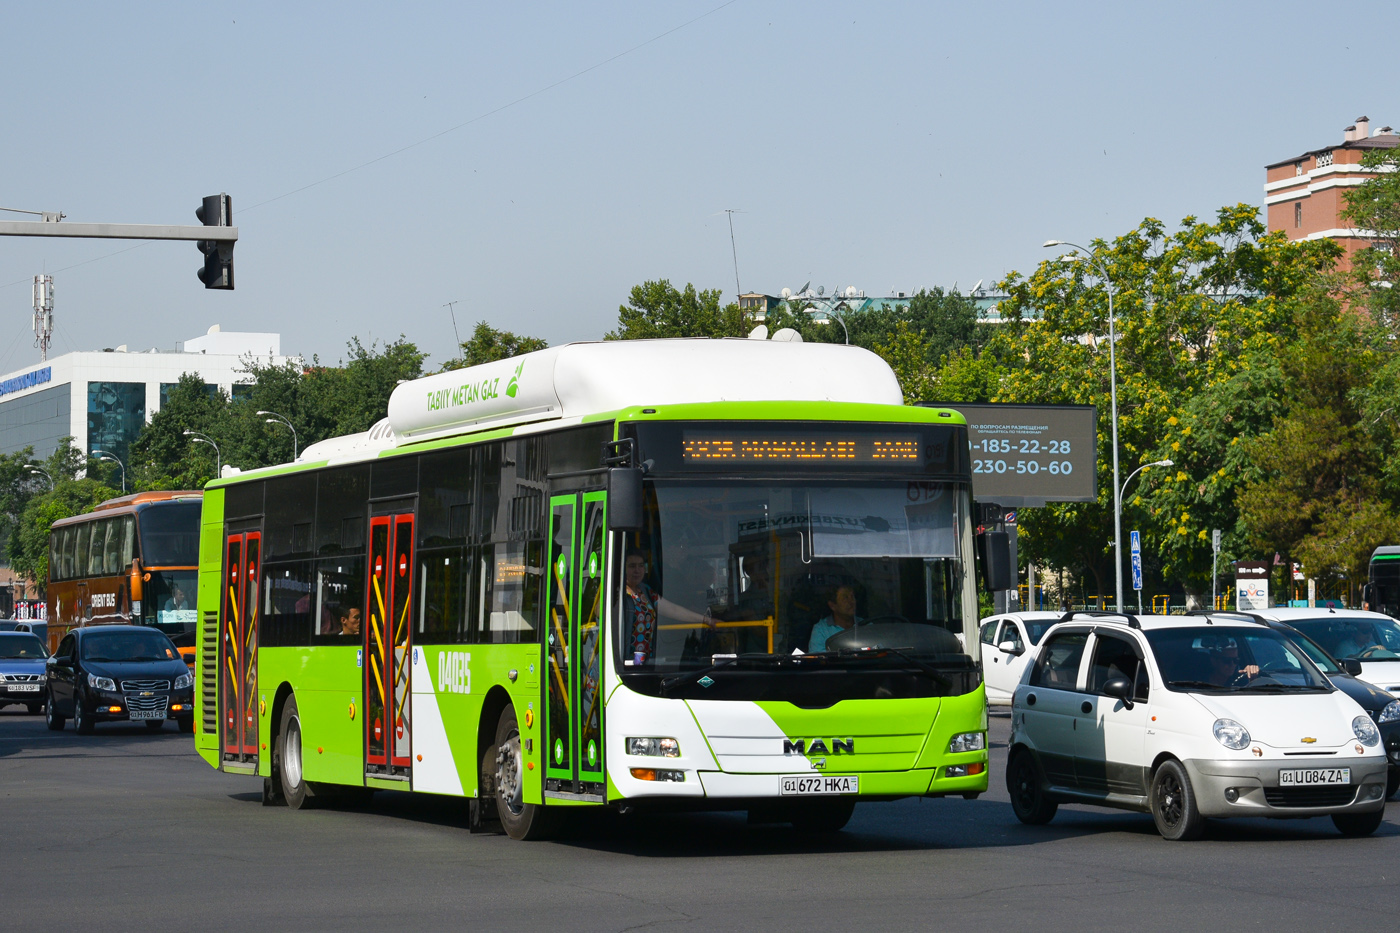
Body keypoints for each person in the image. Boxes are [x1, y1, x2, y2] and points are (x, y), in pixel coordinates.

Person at [624, 548, 712, 663]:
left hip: (645, 661)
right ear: (622, 568)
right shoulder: (616, 592)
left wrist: (706, 620)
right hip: (624, 662)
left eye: (641, 566)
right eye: (632, 566)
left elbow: (673, 610)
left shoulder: (645, 591)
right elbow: (600, 611)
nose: (637, 570)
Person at [808, 585, 862, 653]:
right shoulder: (821, 630)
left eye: (852, 596)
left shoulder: (866, 626)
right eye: (845, 598)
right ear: (832, 605)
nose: (851, 601)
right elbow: (817, 661)